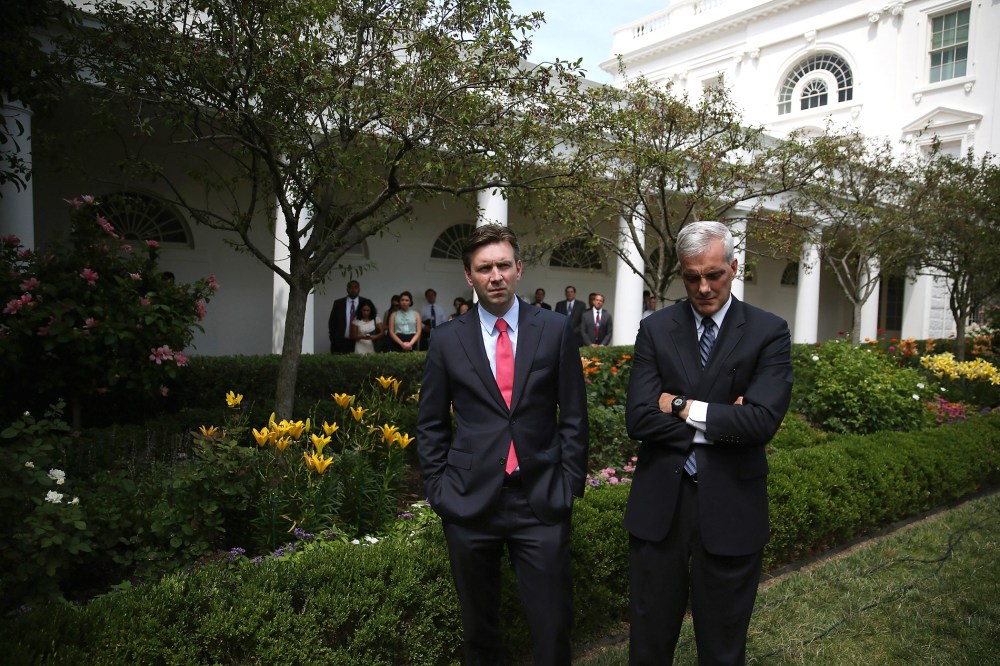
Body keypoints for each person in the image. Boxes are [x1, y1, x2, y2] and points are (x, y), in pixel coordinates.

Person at [417, 224, 589, 665]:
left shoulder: (555, 329)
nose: (495, 276)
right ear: (469, 276)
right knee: (479, 631)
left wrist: (569, 484)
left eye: (503, 266)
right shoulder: (447, 339)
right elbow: (431, 424)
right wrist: (439, 490)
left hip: (540, 499)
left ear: (519, 269)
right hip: (469, 502)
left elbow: (574, 415)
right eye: (484, 268)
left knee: (553, 625)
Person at [623, 221, 793, 665]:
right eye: (692, 276)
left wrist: (679, 404)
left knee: (722, 645)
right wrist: (724, 419)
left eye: (714, 274)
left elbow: (760, 422)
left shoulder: (768, 331)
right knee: (648, 641)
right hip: (661, 503)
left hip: (733, 502)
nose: (703, 287)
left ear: (734, 268)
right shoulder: (656, 328)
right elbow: (638, 417)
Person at [328, 280, 375, 354]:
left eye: (355, 287)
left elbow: (372, 319)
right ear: (347, 289)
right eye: (350, 287)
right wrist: (333, 338)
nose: (353, 290)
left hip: (361, 341)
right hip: (341, 341)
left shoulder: (366, 302)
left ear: (359, 289)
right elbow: (332, 322)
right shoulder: (338, 303)